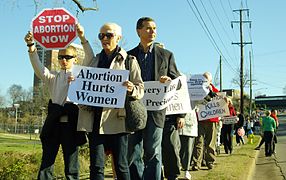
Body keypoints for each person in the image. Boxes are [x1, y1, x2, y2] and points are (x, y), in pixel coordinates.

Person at [76, 23, 144, 180]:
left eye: (109, 35)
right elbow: (83, 81)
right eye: (101, 36)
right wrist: (77, 84)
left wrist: (132, 88)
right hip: (95, 121)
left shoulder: (129, 61)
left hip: (118, 122)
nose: (104, 38)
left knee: (121, 165)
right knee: (96, 166)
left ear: (119, 38)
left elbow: (141, 89)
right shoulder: (95, 61)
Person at [24, 25, 86, 179]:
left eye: (67, 57)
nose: (63, 60)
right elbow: (38, 67)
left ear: (75, 59)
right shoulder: (53, 77)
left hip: (71, 125)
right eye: (60, 57)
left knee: (72, 165)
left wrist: (78, 82)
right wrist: (31, 46)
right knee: (47, 162)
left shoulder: (82, 77)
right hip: (53, 123)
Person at [127, 17, 182, 180]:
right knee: (133, 150)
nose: (153, 32)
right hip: (134, 109)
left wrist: (169, 81)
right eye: (149, 28)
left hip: (156, 111)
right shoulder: (129, 56)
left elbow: (178, 82)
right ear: (139, 31)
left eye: (155, 28)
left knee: (152, 150)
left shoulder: (166, 55)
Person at [192, 72, 219, 171]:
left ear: (210, 81)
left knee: (210, 142)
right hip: (200, 120)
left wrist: (213, 92)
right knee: (198, 142)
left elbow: (219, 99)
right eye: (203, 79)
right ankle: (196, 163)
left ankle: (210, 162)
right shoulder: (197, 90)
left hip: (212, 120)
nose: (205, 81)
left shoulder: (215, 90)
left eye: (207, 79)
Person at [179, 109, 198, 180]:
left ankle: (186, 170)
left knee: (188, 150)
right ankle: (177, 168)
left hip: (190, 125)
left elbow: (202, 101)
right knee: (177, 149)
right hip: (177, 124)